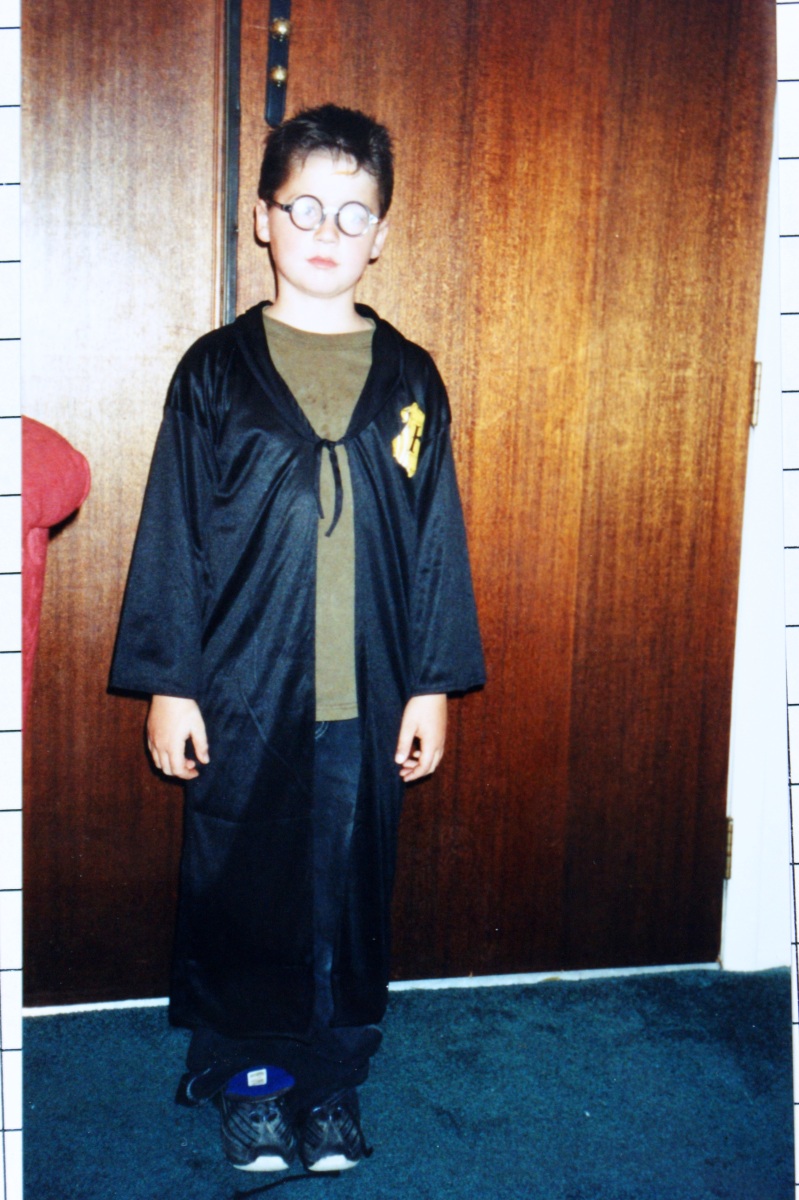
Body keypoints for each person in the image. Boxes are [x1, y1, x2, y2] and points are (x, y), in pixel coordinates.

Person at [110, 103, 485, 1174]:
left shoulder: (409, 376)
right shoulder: (216, 372)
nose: (327, 230)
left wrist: (430, 685)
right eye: (304, 207)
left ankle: (331, 1080)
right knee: (242, 882)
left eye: (353, 213)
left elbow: (433, 540)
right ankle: (252, 1082)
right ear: (264, 220)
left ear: (382, 234)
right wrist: (171, 683)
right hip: (242, 689)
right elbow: (174, 531)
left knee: (350, 890)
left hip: (369, 691)